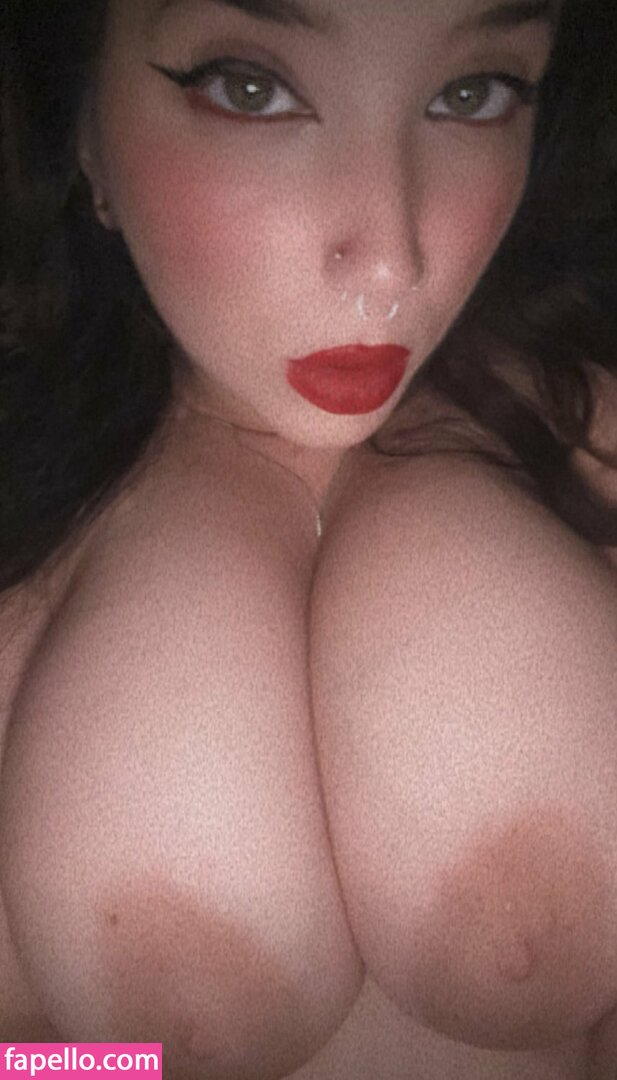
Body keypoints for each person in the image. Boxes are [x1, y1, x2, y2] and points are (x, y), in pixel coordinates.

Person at [0, 0, 616, 1076]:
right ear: (85, 131)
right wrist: (94, 1068)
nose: (390, 260)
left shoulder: (583, 445)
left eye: (470, 94)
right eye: (249, 89)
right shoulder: (24, 552)